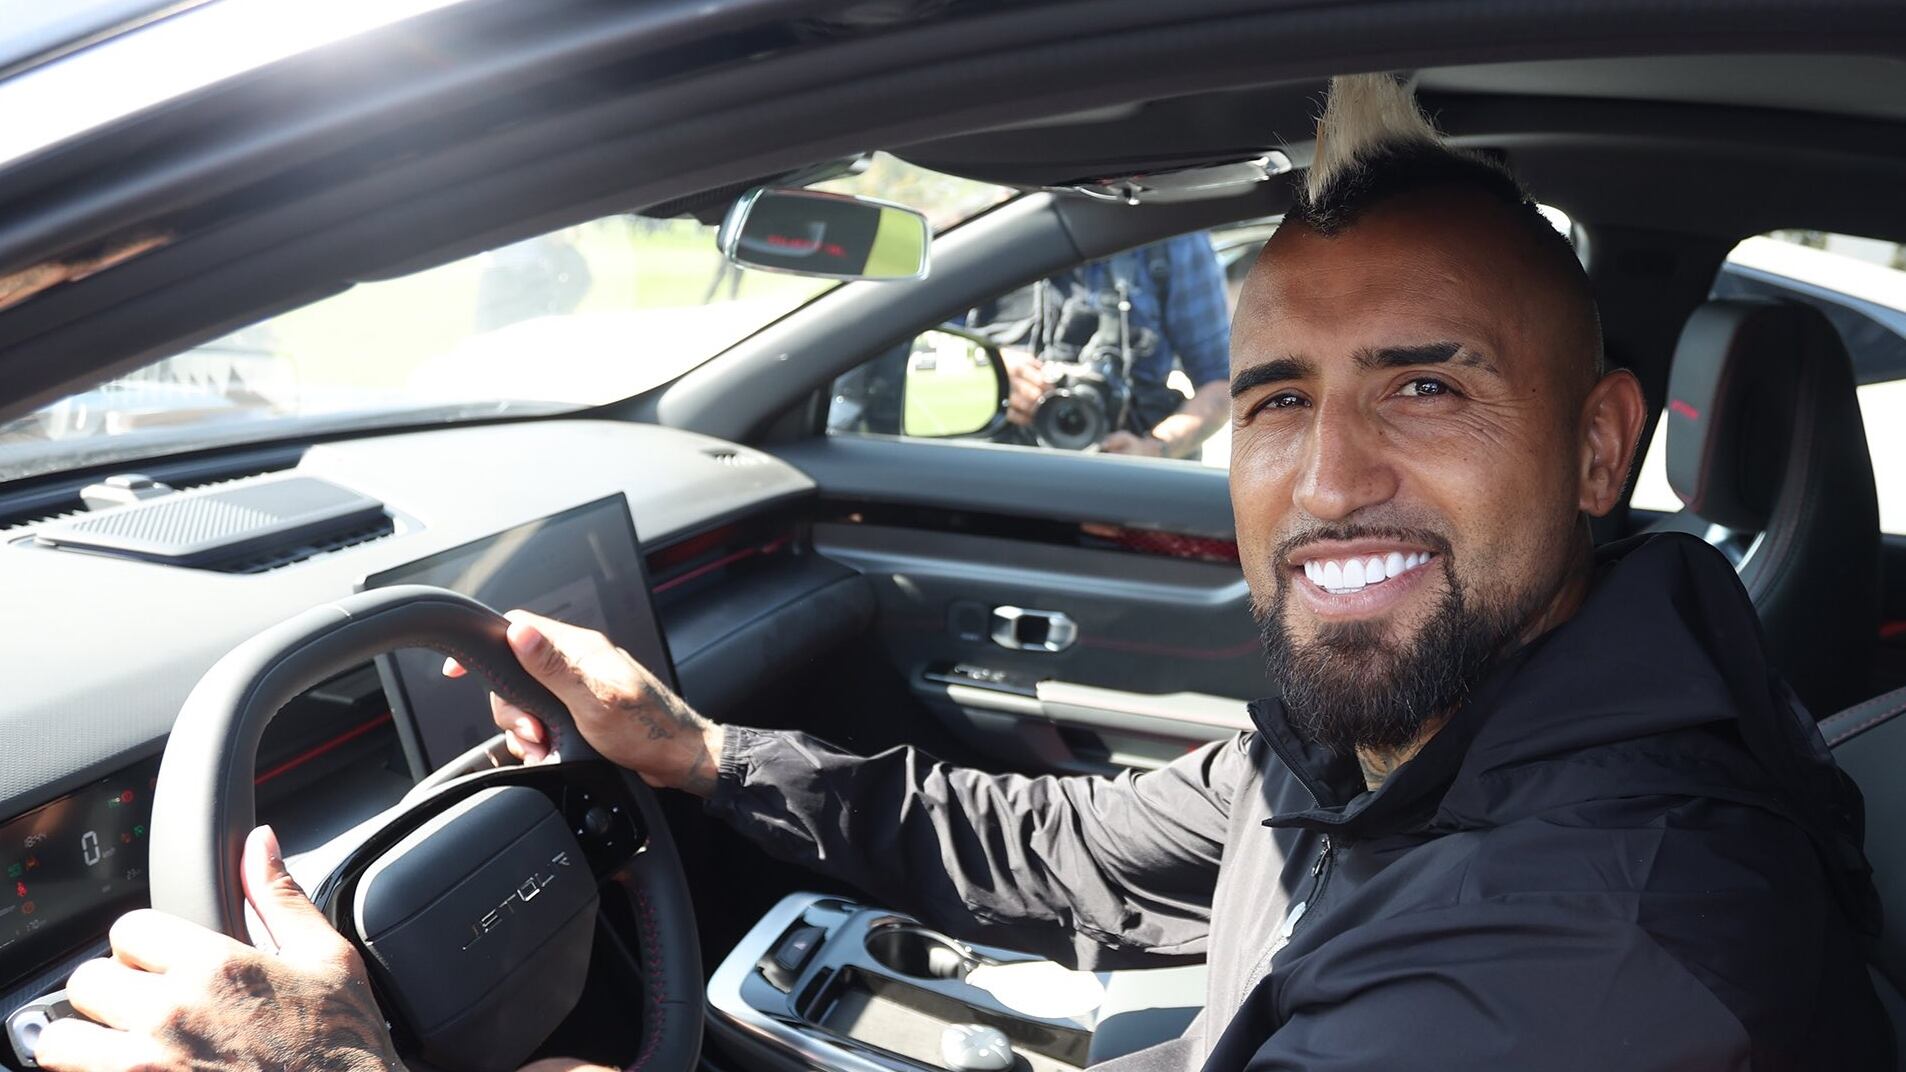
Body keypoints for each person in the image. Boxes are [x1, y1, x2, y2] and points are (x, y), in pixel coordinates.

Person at [36, 73, 1892, 1072]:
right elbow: (1069, 851)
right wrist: (697, 756)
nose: (1330, 475)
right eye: (1272, 396)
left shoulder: (1602, 959)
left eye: (1428, 381)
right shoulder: (1431, 719)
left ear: (1597, 444)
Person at [970, 232, 1231, 459]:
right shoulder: (998, 235)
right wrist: (996, 371)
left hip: (1123, 481)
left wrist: (1152, 448)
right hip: (1010, 468)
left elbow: (1221, 384)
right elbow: (935, 328)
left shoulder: (1173, 238)